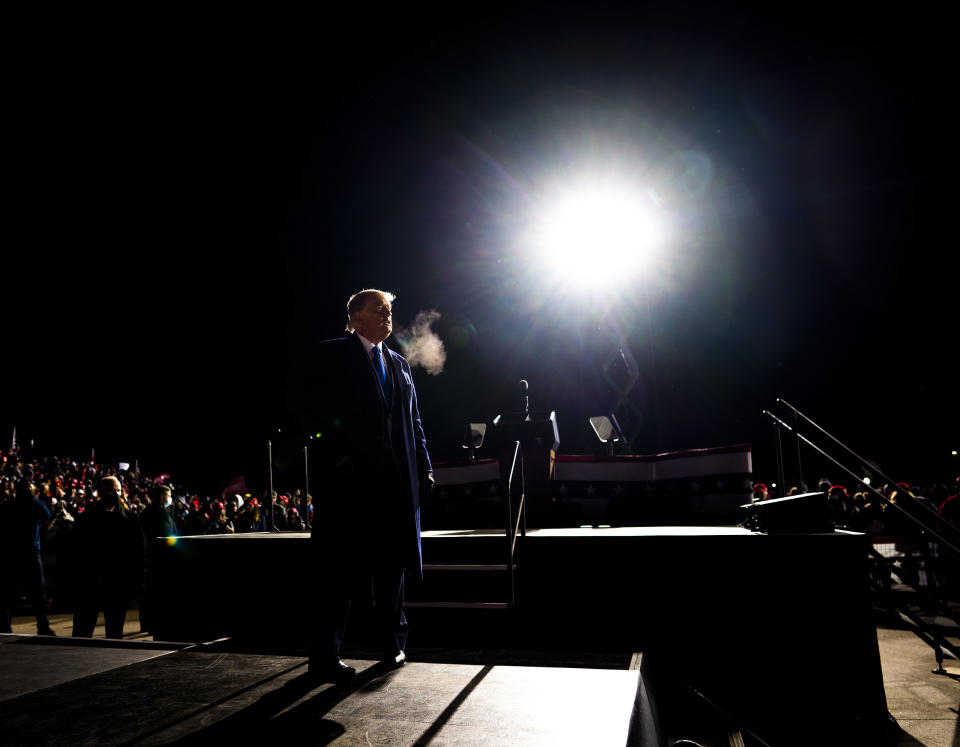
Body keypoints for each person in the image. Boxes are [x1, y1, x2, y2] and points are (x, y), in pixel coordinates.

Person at [306, 288, 434, 682]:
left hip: (394, 488)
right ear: (356, 315)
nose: (388, 315)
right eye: (380, 309)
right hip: (348, 488)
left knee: (393, 569)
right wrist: (338, 463)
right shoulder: (332, 354)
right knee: (337, 573)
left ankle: (392, 645)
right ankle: (325, 657)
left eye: (390, 310)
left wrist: (424, 469)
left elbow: (413, 423)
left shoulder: (398, 364)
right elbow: (317, 416)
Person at [71, 475, 145, 639]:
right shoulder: (86, 518)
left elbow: (138, 553)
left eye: (118, 490)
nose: (116, 493)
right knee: (82, 633)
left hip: (118, 584)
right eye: (112, 490)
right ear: (101, 492)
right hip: (90, 583)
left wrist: (136, 581)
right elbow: (76, 552)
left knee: (114, 634)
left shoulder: (132, 520)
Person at [0, 474, 55, 635]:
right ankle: (42, 625)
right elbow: (47, 515)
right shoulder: (33, 504)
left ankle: (5, 625)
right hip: (30, 552)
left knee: (10, 592)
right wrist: (34, 499)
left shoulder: (8, 505)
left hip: (13, 553)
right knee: (37, 592)